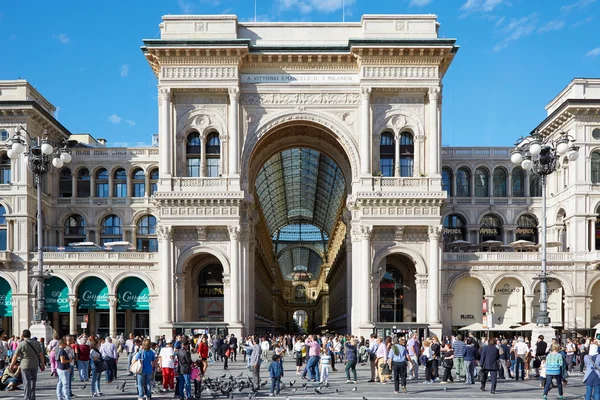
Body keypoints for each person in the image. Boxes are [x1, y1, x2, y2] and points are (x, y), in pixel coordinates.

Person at [9, 329, 45, 400]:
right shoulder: (36, 343)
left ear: (22, 335)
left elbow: (15, 356)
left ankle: (27, 398)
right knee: (33, 381)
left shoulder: (22, 344)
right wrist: (43, 364)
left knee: (26, 382)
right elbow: (41, 354)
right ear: (30, 335)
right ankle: (32, 397)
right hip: (35, 364)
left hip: (25, 364)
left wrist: (11, 365)